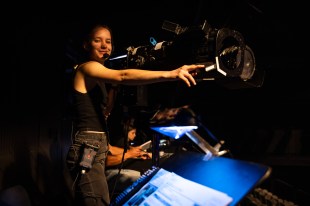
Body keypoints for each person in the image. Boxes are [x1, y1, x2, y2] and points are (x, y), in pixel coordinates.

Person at [65, 22, 205, 206]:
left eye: (108, 41)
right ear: (86, 45)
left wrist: (131, 152)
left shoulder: (98, 75)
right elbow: (122, 76)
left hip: (95, 144)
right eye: (97, 40)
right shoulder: (86, 67)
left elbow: (102, 135)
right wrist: (172, 73)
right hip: (88, 146)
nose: (104, 45)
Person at [105, 117, 151, 200]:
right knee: (143, 179)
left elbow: (111, 149)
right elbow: (106, 161)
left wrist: (136, 153)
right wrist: (129, 154)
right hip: (105, 174)